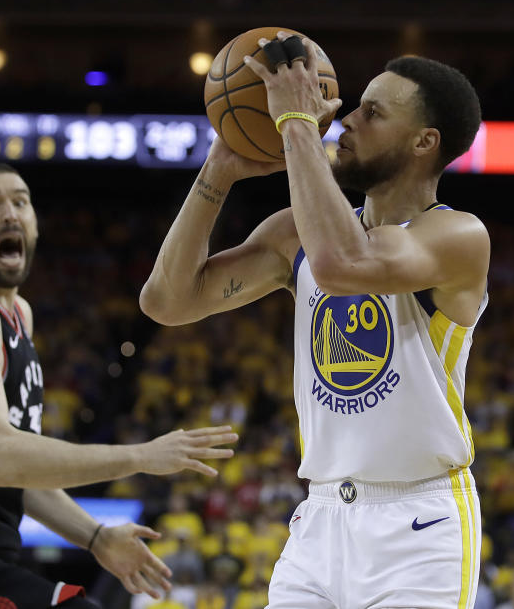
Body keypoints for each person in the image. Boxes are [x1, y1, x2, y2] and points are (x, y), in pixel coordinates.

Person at [140, 33, 488, 609]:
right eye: (354, 105)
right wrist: (219, 172)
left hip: (421, 523)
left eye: (372, 113)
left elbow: (342, 263)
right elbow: (167, 303)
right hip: (322, 516)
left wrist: (296, 121)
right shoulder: (294, 233)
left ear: (425, 141)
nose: (346, 120)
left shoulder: (457, 236)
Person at [0, 162, 238, 609]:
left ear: (35, 225)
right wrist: (139, 456)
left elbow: (20, 471)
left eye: (21, 201)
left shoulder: (19, 315)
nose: (10, 213)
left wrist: (96, 538)